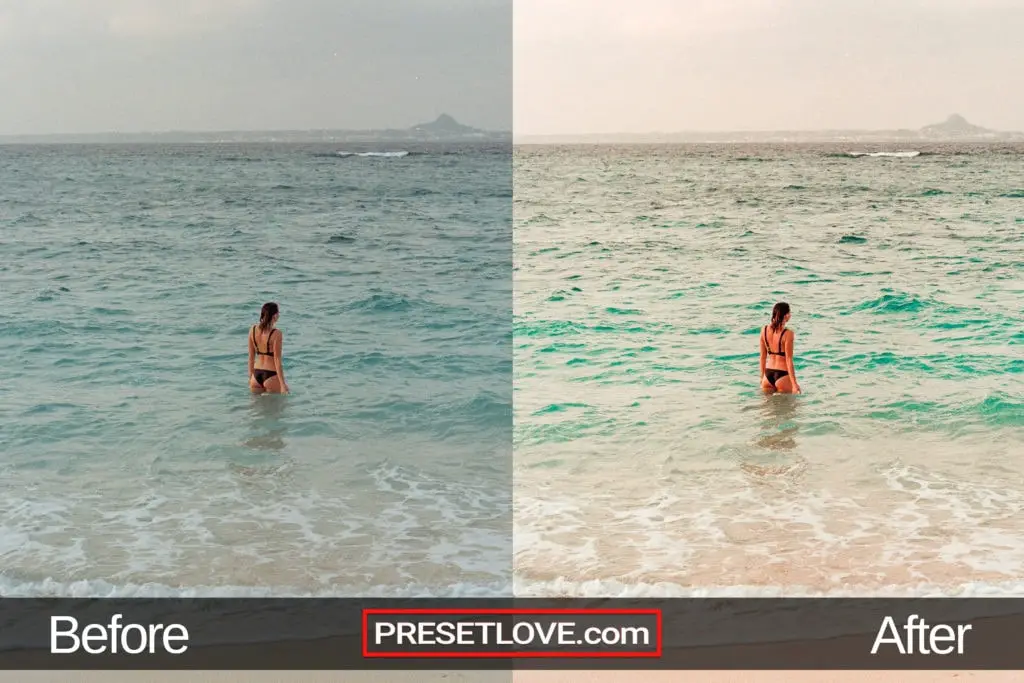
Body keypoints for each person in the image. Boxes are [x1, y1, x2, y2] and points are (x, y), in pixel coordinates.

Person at [759, 301, 800, 395]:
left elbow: (762, 357)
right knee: (789, 407)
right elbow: (789, 360)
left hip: (767, 375)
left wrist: (762, 377)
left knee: (768, 408)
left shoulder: (764, 330)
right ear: (785, 316)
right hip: (782, 375)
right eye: (789, 313)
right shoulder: (788, 334)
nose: (790, 315)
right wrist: (794, 384)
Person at [248, 302, 289, 394]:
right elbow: (277, 360)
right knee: (277, 407)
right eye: (278, 313)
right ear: (274, 316)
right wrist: (282, 384)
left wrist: (250, 377)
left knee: (256, 408)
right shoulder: (277, 333)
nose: (279, 315)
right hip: (271, 375)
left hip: (256, 375)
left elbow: (251, 357)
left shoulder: (252, 330)